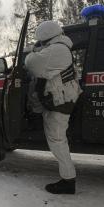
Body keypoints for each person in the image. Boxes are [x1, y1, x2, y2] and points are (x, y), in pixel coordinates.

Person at [25, 21, 82, 194]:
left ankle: (68, 180)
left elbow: (32, 64)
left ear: (44, 36)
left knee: (57, 140)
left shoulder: (57, 50)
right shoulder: (59, 47)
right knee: (57, 138)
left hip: (60, 102)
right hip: (59, 99)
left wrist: (31, 52)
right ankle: (68, 178)